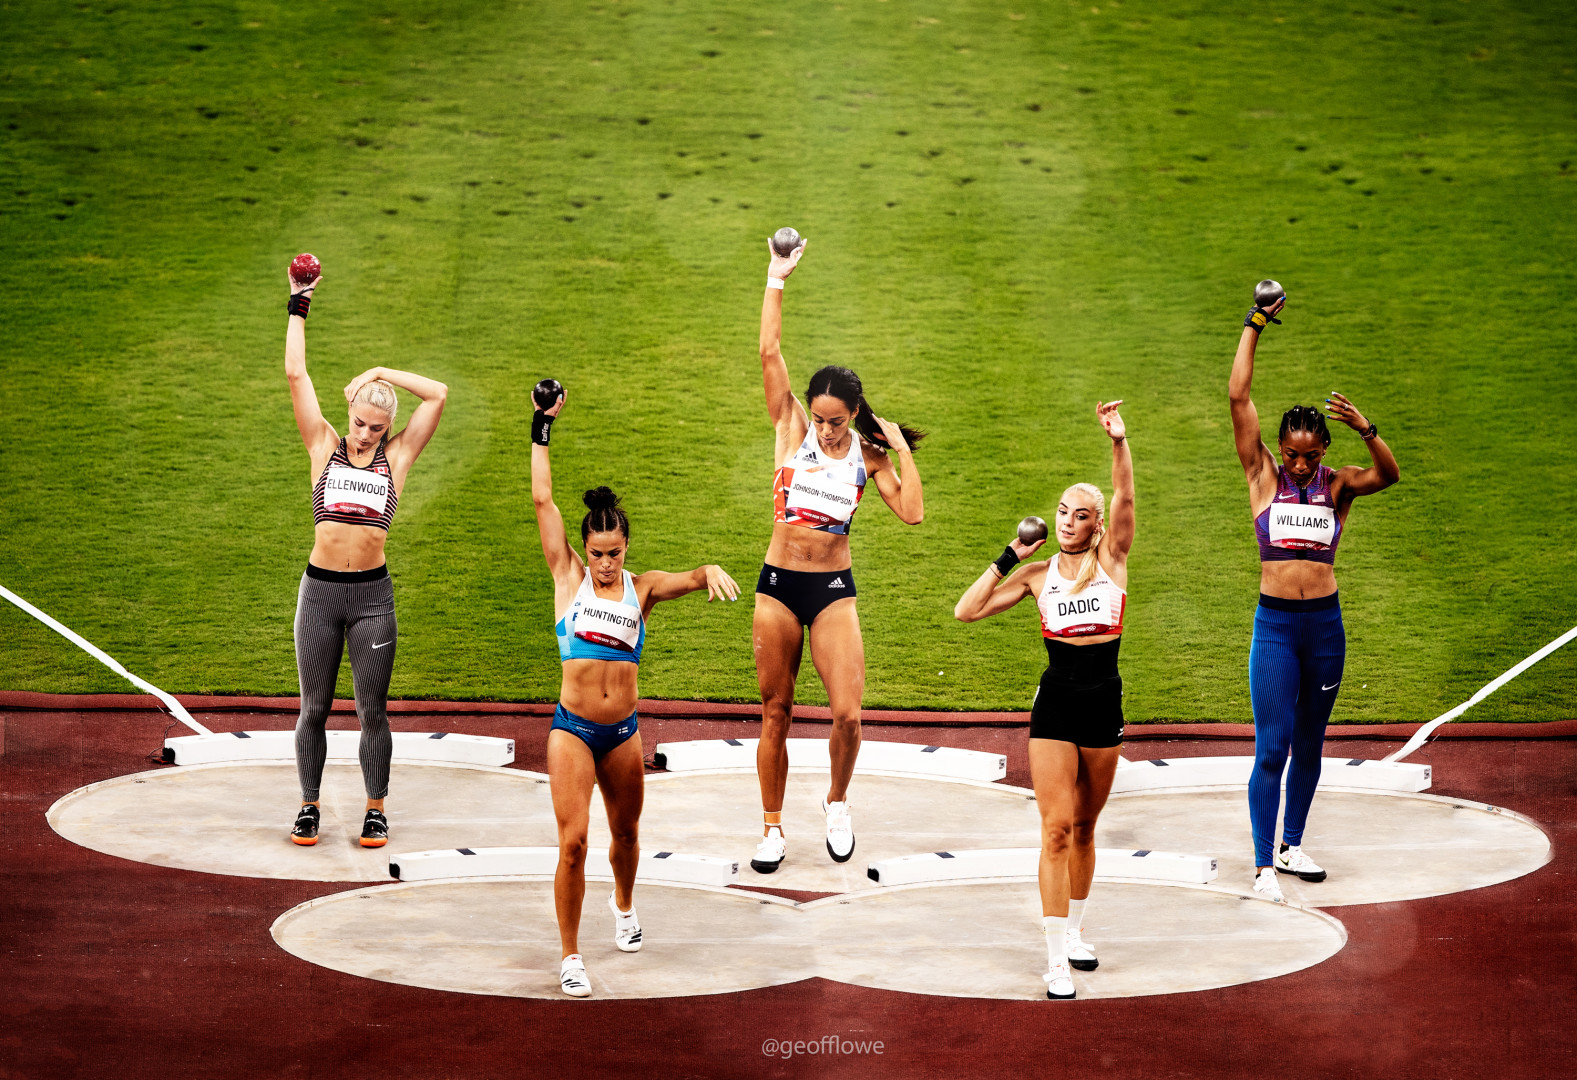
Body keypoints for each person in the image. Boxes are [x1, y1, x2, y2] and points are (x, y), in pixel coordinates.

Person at [530, 387, 740, 997]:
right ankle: (570, 955)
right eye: (596, 554)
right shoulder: (568, 577)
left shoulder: (639, 589)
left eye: (613, 554)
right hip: (572, 730)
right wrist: (541, 428)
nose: (603, 564)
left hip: (622, 734)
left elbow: (689, 578)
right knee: (574, 844)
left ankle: (624, 907)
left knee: (626, 836)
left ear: (626, 548)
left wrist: (709, 573)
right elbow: (543, 499)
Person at [750, 236, 925, 874]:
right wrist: (777, 276)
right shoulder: (790, 429)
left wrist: (901, 449)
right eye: (818, 418)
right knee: (776, 711)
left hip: (830, 592)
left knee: (848, 715)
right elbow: (770, 352)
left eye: (834, 420)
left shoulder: (866, 457)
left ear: (853, 413)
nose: (823, 429)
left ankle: (837, 801)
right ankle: (771, 828)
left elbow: (912, 512)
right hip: (776, 586)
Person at [955, 401, 1133, 1001]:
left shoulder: (1112, 561)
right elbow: (967, 609)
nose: (1065, 521)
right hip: (1056, 702)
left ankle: (1076, 930)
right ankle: (1055, 961)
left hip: (1103, 702)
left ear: (1096, 526)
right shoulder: (1038, 576)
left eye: (1079, 515)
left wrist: (1118, 442)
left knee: (1085, 827)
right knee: (1055, 829)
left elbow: (1126, 499)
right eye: (1061, 511)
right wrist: (1011, 554)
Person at [1229, 291, 1400, 901]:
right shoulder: (1262, 477)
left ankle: (1292, 843)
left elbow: (1388, 474)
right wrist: (1255, 324)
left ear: (1324, 450)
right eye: (1293, 454)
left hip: (1324, 628)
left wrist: (1366, 428)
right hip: (1275, 627)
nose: (1300, 466)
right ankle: (1262, 866)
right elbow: (1237, 398)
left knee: (1311, 743)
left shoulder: (1339, 486)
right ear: (1280, 447)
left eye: (1310, 456)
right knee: (1272, 744)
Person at [283, 264, 448, 849]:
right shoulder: (323, 445)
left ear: (388, 430)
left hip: (372, 598)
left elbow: (439, 394)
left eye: (375, 428)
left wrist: (380, 372)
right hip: (321, 592)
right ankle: (309, 805)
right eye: (358, 422)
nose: (362, 435)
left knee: (372, 709)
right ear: (347, 414)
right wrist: (299, 303)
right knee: (315, 707)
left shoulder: (396, 460)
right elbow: (296, 373)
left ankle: (375, 807)